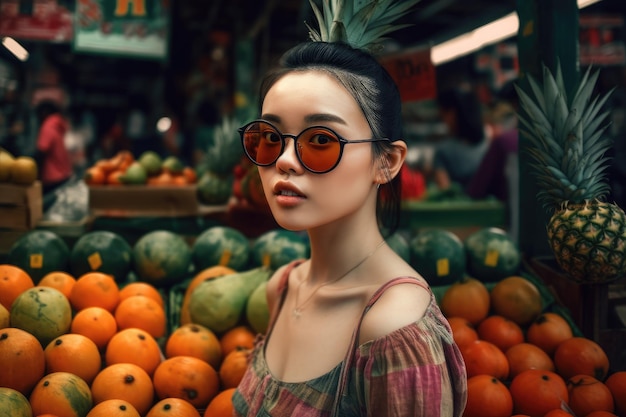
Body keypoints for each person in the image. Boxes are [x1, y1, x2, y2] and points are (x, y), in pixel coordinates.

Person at [233, 40, 467, 416]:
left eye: (322, 140)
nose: (286, 161)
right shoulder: (282, 287)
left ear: (386, 162)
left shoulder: (393, 329)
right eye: (270, 138)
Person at [431, 87, 489, 191]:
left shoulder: (444, 151)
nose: (444, 120)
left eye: (443, 114)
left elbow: (445, 192)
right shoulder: (488, 144)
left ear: (452, 114)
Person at [34, 99, 73, 194]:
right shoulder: (58, 124)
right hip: (64, 175)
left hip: (52, 177)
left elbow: (42, 150)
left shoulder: (48, 125)